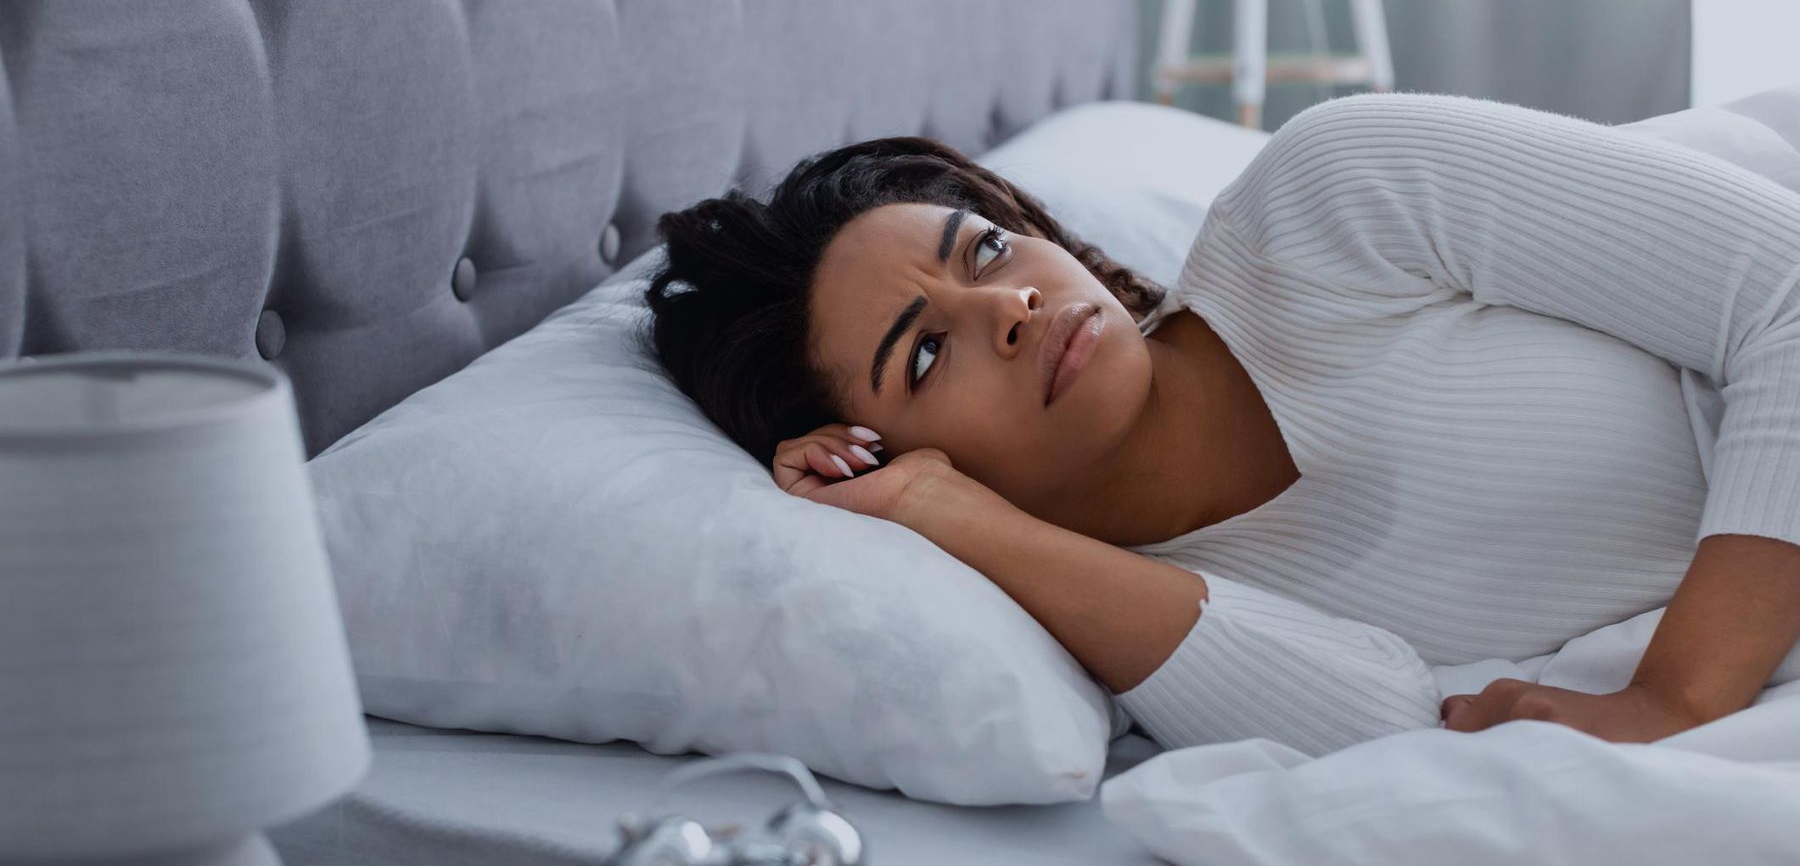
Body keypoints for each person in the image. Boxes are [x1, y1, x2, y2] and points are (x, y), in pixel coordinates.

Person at [637, 91, 1800, 757]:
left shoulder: (1330, 192)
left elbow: (1787, 289)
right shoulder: (1125, 606)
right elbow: (1390, 729)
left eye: (984, 249)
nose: (1009, 307)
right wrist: (946, 518)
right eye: (926, 352)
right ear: (896, 450)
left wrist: (1678, 701)